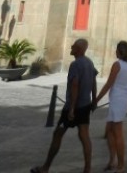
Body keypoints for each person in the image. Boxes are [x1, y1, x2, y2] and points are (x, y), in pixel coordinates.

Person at [31, 38, 98, 173]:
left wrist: (72, 108)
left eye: (73, 46)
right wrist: (94, 100)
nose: (71, 47)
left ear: (78, 49)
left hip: (72, 108)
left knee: (57, 134)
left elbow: (75, 85)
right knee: (84, 136)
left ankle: (45, 168)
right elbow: (93, 82)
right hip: (85, 105)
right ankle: (87, 169)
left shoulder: (75, 65)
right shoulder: (89, 63)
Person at [95, 40, 127, 173]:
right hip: (123, 99)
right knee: (111, 131)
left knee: (117, 132)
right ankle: (112, 161)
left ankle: (121, 165)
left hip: (117, 100)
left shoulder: (117, 65)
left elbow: (108, 84)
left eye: (117, 49)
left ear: (120, 51)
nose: (115, 52)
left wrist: (96, 100)